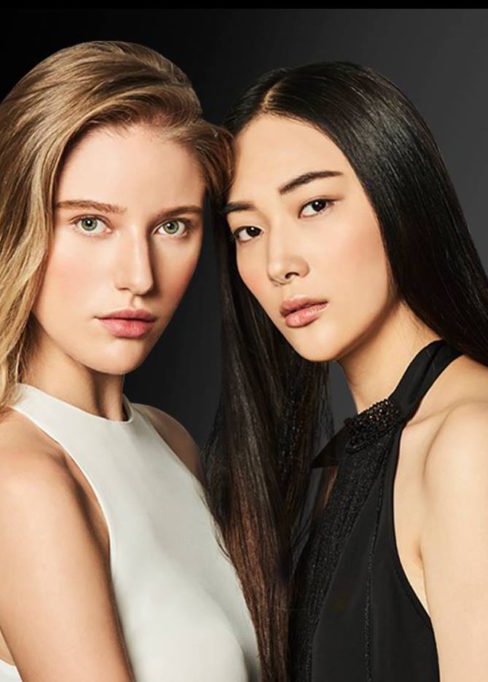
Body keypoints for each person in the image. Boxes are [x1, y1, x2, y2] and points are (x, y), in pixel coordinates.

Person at [0, 40, 261, 681]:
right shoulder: (18, 478)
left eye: (172, 226)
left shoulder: (169, 441)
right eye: (91, 223)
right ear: (14, 230)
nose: (139, 276)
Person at [207, 61, 488, 682]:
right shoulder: (358, 456)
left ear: (399, 194)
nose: (279, 262)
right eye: (248, 229)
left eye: (314, 205)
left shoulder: (469, 443)